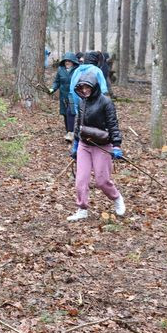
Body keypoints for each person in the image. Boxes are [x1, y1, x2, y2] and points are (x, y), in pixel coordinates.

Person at [67, 71, 125, 221]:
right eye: (82, 88)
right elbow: (78, 124)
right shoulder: (82, 102)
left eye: (87, 87)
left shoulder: (106, 102)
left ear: (94, 87)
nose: (85, 90)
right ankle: (82, 209)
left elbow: (113, 124)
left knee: (102, 180)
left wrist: (116, 145)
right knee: (81, 180)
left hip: (102, 145)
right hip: (84, 144)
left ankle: (117, 198)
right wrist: (75, 144)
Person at [48, 52, 80, 141]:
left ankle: (72, 132)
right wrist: (52, 89)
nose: (67, 62)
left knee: (72, 112)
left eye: (69, 61)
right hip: (63, 96)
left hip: (74, 96)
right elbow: (57, 82)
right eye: (66, 61)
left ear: (73, 61)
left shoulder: (77, 70)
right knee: (65, 114)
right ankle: (68, 131)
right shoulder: (60, 70)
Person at [69, 51, 110, 116]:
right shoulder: (97, 70)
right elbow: (103, 90)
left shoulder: (77, 70)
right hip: (93, 108)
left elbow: (72, 89)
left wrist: (75, 108)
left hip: (78, 106)